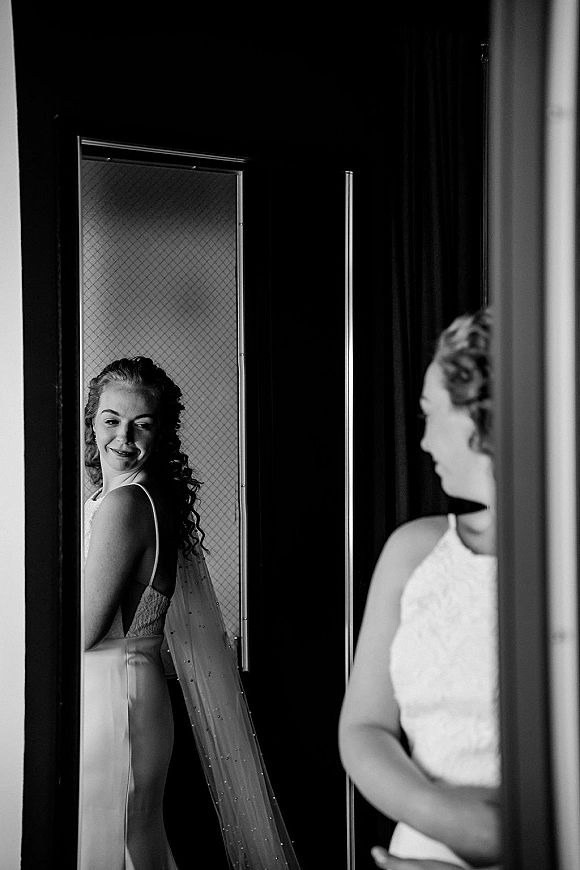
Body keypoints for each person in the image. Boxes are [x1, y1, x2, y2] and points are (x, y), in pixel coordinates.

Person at [80, 356, 301, 870]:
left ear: (163, 433)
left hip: (114, 699)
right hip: (129, 691)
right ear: (92, 421)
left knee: (109, 848)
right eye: (111, 419)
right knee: (131, 846)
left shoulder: (125, 505)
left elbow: (83, 631)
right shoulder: (126, 497)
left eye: (142, 423)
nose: (123, 437)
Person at [339, 309, 502, 870]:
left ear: (484, 415)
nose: (425, 439)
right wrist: (450, 818)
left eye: (432, 414)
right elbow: (363, 728)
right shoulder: (415, 551)